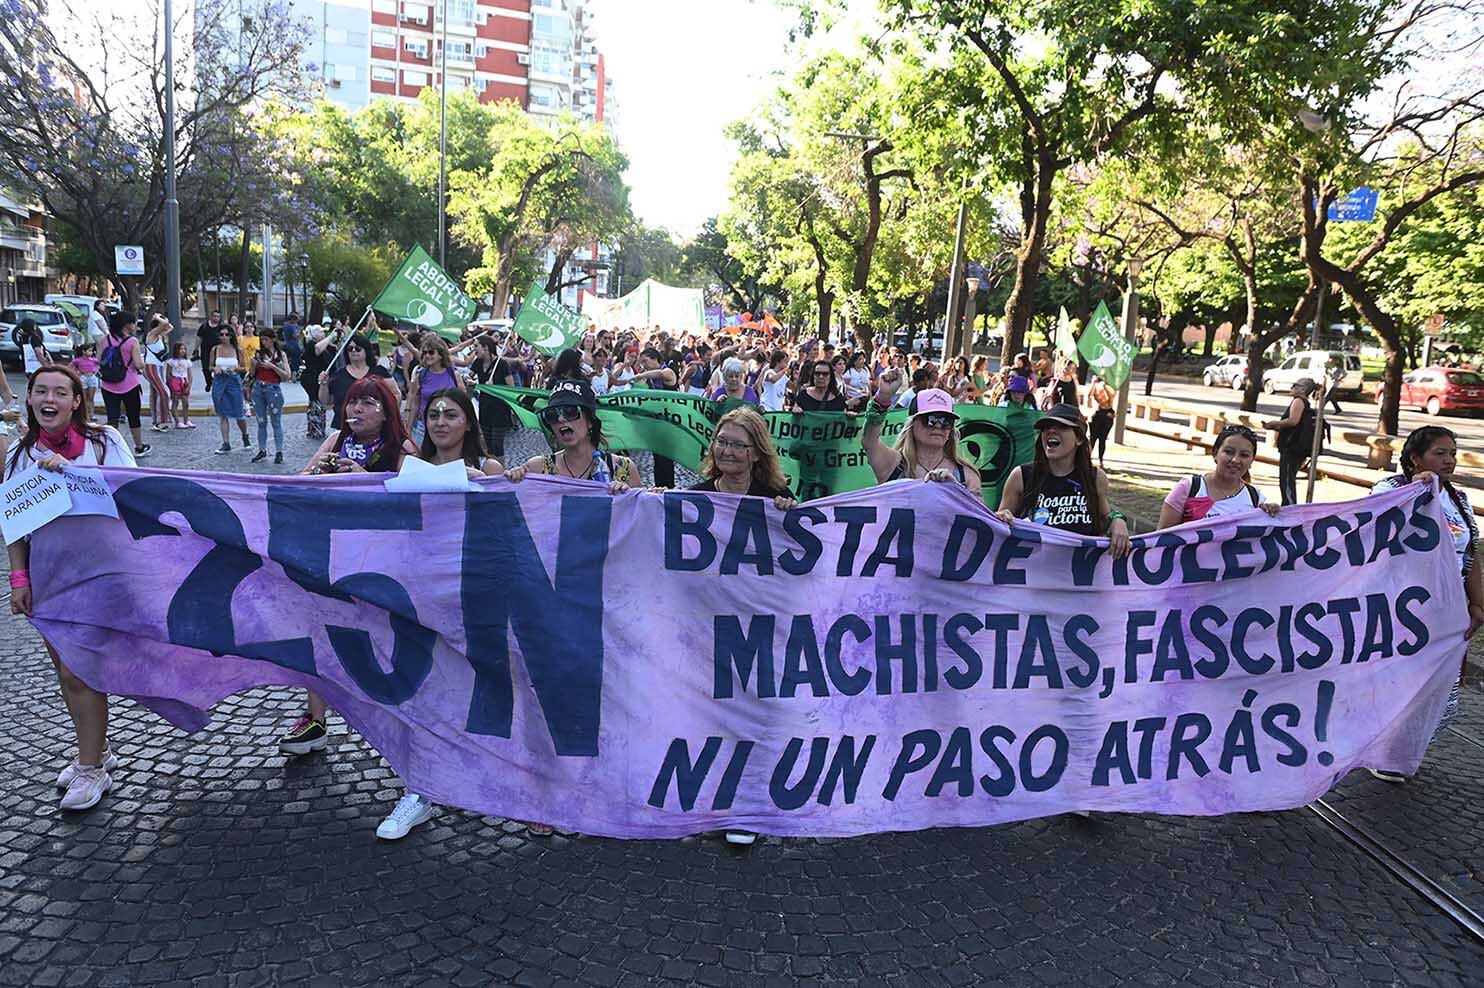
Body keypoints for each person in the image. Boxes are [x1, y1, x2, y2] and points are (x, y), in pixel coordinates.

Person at [5, 365, 137, 810]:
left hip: (99, 574)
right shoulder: (20, 454)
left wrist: (72, 474)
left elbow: (131, 493)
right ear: (30, 399)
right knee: (66, 672)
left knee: (78, 670)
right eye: (40, 391)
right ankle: (96, 748)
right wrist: (19, 578)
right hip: (49, 577)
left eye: (60, 392)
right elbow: (15, 524)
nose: (49, 399)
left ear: (76, 401)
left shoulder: (104, 443)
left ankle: (91, 769)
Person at [287, 376, 418, 762]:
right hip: (331, 555)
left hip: (381, 562)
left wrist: (364, 480)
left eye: (367, 403)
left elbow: (414, 501)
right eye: (352, 403)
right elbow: (293, 484)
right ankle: (314, 718)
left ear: (386, 411)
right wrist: (317, 475)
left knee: (383, 642)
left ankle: (404, 721)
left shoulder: (402, 448)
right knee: (318, 633)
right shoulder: (335, 443)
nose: (356, 410)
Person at [1368, 426, 1482, 783]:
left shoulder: (1459, 500)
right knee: (1394, 681)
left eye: (1452, 452)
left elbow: (1471, 554)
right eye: (1440, 453)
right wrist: (1418, 488)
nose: (1449, 460)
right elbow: (1372, 533)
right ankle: (1379, 749)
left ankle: (1403, 750)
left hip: (1445, 615)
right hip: (1400, 611)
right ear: (1416, 457)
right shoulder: (1392, 491)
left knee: (1433, 688)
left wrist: (1478, 605)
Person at [995, 403, 1131, 559]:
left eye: (1061, 426)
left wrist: (1118, 521)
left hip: (1081, 577)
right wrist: (1002, 517)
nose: (1051, 431)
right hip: (1033, 576)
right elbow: (998, 530)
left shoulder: (1095, 477)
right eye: (1046, 427)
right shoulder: (1021, 476)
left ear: (1079, 439)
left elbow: (1106, 518)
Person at [505, 380, 636, 491]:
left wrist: (628, 497)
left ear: (589, 421)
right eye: (552, 415)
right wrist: (513, 482)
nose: (561, 419)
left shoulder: (623, 469)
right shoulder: (537, 469)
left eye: (570, 412)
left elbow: (640, 516)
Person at [860, 386, 982, 493]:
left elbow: (980, 517)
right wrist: (883, 397)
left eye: (946, 421)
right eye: (930, 420)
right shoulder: (894, 464)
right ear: (912, 424)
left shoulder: (966, 475)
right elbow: (869, 441)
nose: (938, 426)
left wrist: (956, 491)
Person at [1157, 424, 1281, 528]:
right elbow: (1161, 540)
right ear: (1215, 453)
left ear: (1252, 460)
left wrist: (1270, 514)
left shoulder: (1255, 498)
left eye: (1244, 455)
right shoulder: (1189, 488)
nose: (1235, 460)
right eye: (1228, 452)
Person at [98, 311, 151, 458]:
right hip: (129, 384)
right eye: (133, 323)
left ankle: (110, 448)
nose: (135, 325)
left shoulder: (105, 340)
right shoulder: (132, 342)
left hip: (108, 384)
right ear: (127, 325)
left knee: (112, 417)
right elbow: (139, 364)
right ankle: (139, 446)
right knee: (133, 416)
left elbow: (98, 360)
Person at [420, 387, 504, 479]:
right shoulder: (417, 470)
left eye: (451, 416)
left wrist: (483, 482)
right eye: (433, 416)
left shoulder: (490, 470)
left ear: (468, 423)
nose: (440, 423)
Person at [320, 333, 391, 432]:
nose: (353, 351)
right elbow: (326, 401)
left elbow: (395, 394)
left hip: (373, 428)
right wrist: (324, 385)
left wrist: (386, 415)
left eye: (358, 348)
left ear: (366, 350)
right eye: (350, 349)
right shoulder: (339, 375)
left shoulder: (379, 372)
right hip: (343, 427)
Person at [1263, 378, 1316, 506]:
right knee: (1288, 478)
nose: (1291, 388)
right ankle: (1289, 505)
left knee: (1286, 480)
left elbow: (1293, 421)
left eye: (1294, 385)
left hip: (1291, 447)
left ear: (1303, 389)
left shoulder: (1298, 401)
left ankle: (1289, 507)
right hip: (1296, 445)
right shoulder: (1304, 402)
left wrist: (1274, 423)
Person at [403, 335, 463, 445]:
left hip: (448, 427)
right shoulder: (421, 375)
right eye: (424, 353)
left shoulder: (454, 374)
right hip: (423, 426)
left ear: (440, 354)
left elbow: (463, 403)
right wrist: (409, 428)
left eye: (431, 352)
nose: (427, 356)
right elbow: (416, 402)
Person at [468, 334, 516, 459]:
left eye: (476, 346)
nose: (474, 349)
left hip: (499, 411)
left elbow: (512, 389)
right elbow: (469, 375)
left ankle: (501, 471)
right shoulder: (478, 363)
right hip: (484, 409)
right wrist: (467, 379)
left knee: (497, 446)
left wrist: (495, 387)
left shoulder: (502, 364)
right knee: (488, 446)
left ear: (486, 348)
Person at [207, 322, 252, 454]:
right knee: (222, 414)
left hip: (233, 382)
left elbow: (244, 367)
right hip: (219, 382)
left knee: (239, 414)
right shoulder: (215, 350)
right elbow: (209, 365)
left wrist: (236, 368)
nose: (224, 336)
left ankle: (245, 435)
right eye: (222, 334)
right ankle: (226, 443)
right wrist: (215, 368)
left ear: (231, 335)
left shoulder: (238, 350)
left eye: (227, 334)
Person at [249, 329, 292, 464]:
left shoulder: (281, 354)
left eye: (266, 339)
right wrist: (253, 366)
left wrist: (272, 366)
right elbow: (251, 374)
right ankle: (262, 449)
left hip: (273, 389)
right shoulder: (258, 354)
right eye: (262, 340)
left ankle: (279, 451)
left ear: (273, 339)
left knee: (276, 422)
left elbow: (287, 375)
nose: (263, 342)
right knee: (261, 422)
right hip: (258, 388)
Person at [143, 315, 172, 432]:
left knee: (155, 393)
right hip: (151, 366)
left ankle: (156, 420)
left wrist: (160, 318)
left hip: (158, 366)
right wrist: (157, 317)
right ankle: (162, 421)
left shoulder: (159, 336)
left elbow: (170, 327)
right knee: (164, 392)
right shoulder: (152, 335)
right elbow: (166, 324)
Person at [165, 342, 195, 430]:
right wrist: (170, 383)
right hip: (175, 381)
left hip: (184, 381)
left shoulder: (187, 362)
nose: (183, 351)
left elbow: (190, 374)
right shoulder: (171, 362)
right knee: (175, 402)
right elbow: (168, 374)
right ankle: (177, 421)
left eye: (184, 349)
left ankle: (186, 420)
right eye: (181, 349)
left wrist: (189, 385)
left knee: (186, 403)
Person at [1087, 374, 1115, 466]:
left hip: (1107, 414)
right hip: (1097, 413)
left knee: (1102, 439)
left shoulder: (1110, 388)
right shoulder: (1095, 387)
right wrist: (1093, 384)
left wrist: (1105, 387)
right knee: (1092, 438)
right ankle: (1087, 458)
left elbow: (1110, 398)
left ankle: (1101, 460)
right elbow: (1089, 397)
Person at [196, 310, 224, 392]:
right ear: (211, 316)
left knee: (217, 368)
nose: (216, 318)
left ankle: (217, 383)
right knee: (205, 368)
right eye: (214, 316)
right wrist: (195, 348)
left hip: (217, 351)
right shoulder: (204, 326)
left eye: (218, 316)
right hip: (205, 350)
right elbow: (199, 338)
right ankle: (209, 382)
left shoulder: (221, 327)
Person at [71, 342, 99, 422]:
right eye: (89, 350)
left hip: (92, 378)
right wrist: (76, 372)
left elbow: (98, 365)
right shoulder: (78, 360)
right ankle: (85, 414)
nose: (91, 352)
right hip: (83, 377)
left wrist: (95, 370)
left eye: (91, 351)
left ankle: (91, 414)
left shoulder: (94, 360)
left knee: (91, 398)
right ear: (84, 351)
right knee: (84, 397)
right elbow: (70, 366)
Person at [281, 311, 303, 378]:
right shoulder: (293, 326)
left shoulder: (285, 325)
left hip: (287, 344)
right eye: (298, 318)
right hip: (294, 345)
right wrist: (300, 332)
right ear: (294, 319)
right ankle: (294, 373)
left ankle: (288, 372)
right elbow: (295, 335)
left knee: (288, 359)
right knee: (295, 360)